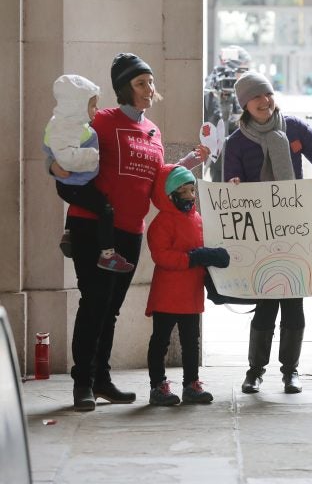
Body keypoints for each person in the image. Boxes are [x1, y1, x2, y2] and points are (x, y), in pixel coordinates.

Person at [50, 53, 210, 411]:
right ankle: (83, 384)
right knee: (93, 303)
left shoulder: (153, 132)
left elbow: (156, 189)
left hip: (130, 232)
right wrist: (53, 163)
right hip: (93, 225)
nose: (149, 89)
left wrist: (186, 166)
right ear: (123, 88)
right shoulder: (103, 121)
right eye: (141, 83)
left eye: (151, 82)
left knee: (112, 309)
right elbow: (65, 146)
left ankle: (102, 379)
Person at [224, 71, 312, 395]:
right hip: (260, 237)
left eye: (268, 94)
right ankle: (255, 371)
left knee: (294, 303)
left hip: (296, 229)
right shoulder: (236, 142)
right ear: (245, 104)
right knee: (266, 304)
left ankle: (291, 371)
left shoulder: (295, 128)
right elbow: (229, 183)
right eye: (256, 97)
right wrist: (233, 185)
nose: (265, 101)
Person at [145, 165, 230, 406]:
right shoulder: (161, 222)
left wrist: (213, 265)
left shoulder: (197, 219)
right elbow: (161, 255)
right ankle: (157, 385)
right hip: (167, 293)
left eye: (193, 190)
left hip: (191, 292)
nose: (191, 196)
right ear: (171, 194)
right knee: (160, 340)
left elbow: (205, 246)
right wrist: (192, 258)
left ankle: (191, 383)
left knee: (192, 341)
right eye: (185, 191)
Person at [43, 74, 134, 273]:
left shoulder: (70, 123)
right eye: (93, 106)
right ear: (77, 106)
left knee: (83, 195)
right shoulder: (67, 128)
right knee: (105, 210)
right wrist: (92, 156)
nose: (97, 110)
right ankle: (107, 255)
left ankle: (68, 233)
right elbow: (66, 158)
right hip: (72, 184)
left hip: (75, 184)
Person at [203, 45, 252, 182]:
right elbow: (218, 118)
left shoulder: (230, 84)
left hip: (232, 149)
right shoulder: (217, 84)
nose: (245, 73)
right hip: (222, 149)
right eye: (244, 69)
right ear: (234, 66)